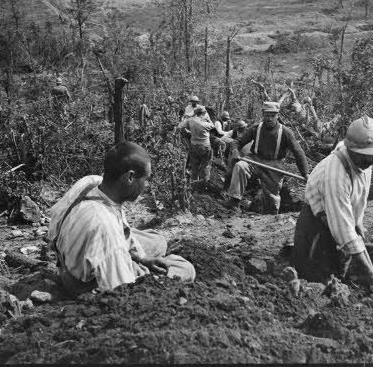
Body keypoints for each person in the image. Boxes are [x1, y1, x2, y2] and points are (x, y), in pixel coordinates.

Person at [47, 142, 196, 297]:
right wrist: (142, 274)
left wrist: (143, 258)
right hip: (84, 284)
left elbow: (55, 222)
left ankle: (130, 257)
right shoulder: (105, 227)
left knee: (158, 241)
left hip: (67, 260)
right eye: (146, 179)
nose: (147, 186)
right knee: (184, 268)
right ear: (130, 177)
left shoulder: (92, 182)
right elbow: (121, 291)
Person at [292, 116, 373, 294]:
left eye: (372, 155)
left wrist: (358, 221)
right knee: (313, 276)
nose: (369, 160)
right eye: (364, 156)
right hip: (316, 220)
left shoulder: (366, 161)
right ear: (352, 150)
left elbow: (360, 195)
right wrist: (368, 269)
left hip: (339, 216)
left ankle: (341, 285)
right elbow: (342, 228)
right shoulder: (336, 175)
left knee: (340, 269)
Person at [222, 101, 311, 213]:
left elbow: (298, 152)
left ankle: (272, 215)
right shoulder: (255, 128)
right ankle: (234, 200)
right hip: (254, 159)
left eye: (273, 116)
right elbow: (238, 141)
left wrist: (305, 173)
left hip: (274, 164)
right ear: (263, 114)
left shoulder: (286, 132)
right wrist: (235, 150)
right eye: (267, 115)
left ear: (277, 116)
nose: (269, 118)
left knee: (272, 199)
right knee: (240, 166)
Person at [178, 106, 214, 181]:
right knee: (206, 164)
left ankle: (194, 181)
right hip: (205, 146)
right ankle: (204, 182)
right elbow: (213, 126)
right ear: (203, 114)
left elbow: (180, 126)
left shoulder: (190, 120)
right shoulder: (205, 124)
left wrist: (188, 131)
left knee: (195, 164)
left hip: (194, 145)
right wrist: (208, 119)